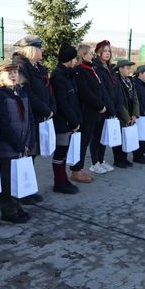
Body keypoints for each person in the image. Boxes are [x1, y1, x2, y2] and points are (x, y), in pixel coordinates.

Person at [12, 36, 55, 204]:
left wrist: (51, 107)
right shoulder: (21, 66)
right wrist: (45, 109)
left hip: (41, 114)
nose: (42, 51)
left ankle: (28, 189)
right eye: (39, 48)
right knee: (27, 155)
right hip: (30, 115)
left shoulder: (37, 66)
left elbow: (48, 89)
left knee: (32, 154)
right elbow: (27, 93)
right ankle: (22, 192)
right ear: (31, 49)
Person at [0, 63, 35, 223]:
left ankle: (17, 206)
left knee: (17, 178)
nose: (13, 75)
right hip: (8, 146)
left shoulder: (21, 92)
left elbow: (29, 118)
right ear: (0, 76)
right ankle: (8, 210)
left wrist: (29, 141)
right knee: (7, 179)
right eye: (8, 73)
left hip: (22, 144)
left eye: (15, 72)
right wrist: (18, 144)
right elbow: (3, 123)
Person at [50, 43, 85, 192]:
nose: (76, 62)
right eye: (74, 59)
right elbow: (62, 102)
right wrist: (73, 121)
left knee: (64, 151)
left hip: (69, 120)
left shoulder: (68, 74)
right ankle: (59, 182)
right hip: (62, 122)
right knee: (60, 151)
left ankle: (63, 179)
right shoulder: (58, 75)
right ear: (68, 60)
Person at [89, 40, 121, 173]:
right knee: (96, 136)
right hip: (102, 108)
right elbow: (102, 91)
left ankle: (101, 160)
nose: (107, 53)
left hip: (111, 108)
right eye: (105, 51)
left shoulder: (110, 68)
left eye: (109, 51)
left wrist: (117, 105)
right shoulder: (96, 68)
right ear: (98, 53)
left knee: (103, 136)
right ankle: (95, 163)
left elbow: (117, 88)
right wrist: (109, 107)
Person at [74, 44, 106, 174]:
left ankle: (79, 169)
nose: (92, 55)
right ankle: (77, 169)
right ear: (83, 55)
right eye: (90, 53)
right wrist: (100, 105)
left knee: (87, 140)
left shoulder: (90, 69)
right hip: (87, 111)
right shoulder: (80, 71)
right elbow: (86, 93)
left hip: (93, 112)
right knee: (83, 142)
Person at [113, 59, 139, 168]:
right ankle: (118, 160)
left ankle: (124, 158)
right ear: (120, 69)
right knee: (119, 138)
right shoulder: (116, 80)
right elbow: (118, 101)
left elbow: (135, 98)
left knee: (126, 136)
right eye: (127, 68)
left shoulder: (130, 80)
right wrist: (126, 116)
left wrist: (135, 114)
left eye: (130, 68)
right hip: (121, 114)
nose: (129, 70)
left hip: (130, 113)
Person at [132, 65, 145, 164]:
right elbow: (137, 100)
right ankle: (137, 155)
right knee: (140, 136)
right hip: (141, 114)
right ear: (140, 74)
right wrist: (141, 111)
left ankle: (142, 154)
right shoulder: (136, 84)